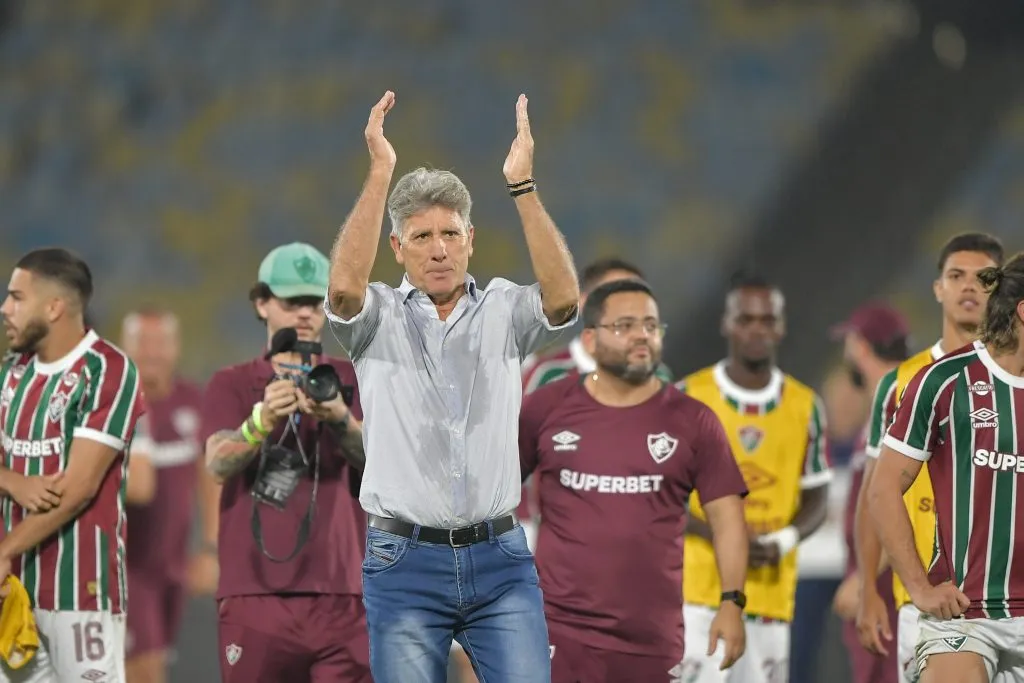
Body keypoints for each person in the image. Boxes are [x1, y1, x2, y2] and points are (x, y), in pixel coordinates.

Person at [324, 91, 579, 683]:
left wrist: (523, 186)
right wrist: (380, 172)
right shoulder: (377, 318)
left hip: (501, 558)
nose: (438, 248)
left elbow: (565, 300)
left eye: (450, 233)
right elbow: (340, 293)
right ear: (397, 248)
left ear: (470, 239)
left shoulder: (504, 309)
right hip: (404, 560)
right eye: (420, 237)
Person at [520, 279, 748, 682]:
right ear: (589, 340)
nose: (641, 335)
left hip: (652, 639)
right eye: (624, 326)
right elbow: (493, 500)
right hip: (558, 631)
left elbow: (728, 519)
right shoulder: (545, 408)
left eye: (650, 325)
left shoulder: (693, 421)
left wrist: (732, 602)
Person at [199, 242, 371, 683]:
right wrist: (263, 420)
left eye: (315, 302)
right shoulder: (233, 383)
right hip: (256, 594)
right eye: (292, 302)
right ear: (261, 303)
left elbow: (384, 464)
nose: (305, 314)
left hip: (343, 592)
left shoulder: (351, 378)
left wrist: (339, 419)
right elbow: (217, 464)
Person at [851, 233, 1003, 683]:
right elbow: (873, 493)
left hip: (1005, 598)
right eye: (956, 276)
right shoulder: (901, 382)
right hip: (923, 600)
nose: (969, 288)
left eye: (984, 278)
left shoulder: (1015, 379)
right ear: (938, 287)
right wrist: (868, 592)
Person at [677, 271, 832, 683]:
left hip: (770, 597)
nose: (756, 330)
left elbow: (817, 495)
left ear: (780, 327)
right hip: (696, 595)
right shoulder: (688, 398)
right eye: (746, 320)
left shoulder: (805, 406)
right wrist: (718, 533)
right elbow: (658, 497)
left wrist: (782, 541)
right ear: (726, 323)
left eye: (767, 320)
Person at [0, 247, 145, 682]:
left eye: (16, 297)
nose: (5, 309)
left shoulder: (108, 371)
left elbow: (78, 488)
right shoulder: (11, 374)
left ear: (54, 306)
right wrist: (12, 480)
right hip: (13, 594)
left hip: (82, 595)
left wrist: (5, 549)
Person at [120, 306, 205, 683]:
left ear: (176, 348)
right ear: (125, 347)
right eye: (143, 343)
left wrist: (211, 546)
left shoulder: (192, 399)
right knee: (145, 670)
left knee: (152, 665)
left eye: (161, 343)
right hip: (127, 565)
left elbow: (209, 476)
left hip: (173, 566)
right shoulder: (114, 406)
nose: (152, 353)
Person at [828, 303, 911, 683]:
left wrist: (864, 576)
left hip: (889, 589)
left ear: (859, 347)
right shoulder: (886, 403)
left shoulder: (900, 402)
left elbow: (905, 499)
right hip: (879, 587)